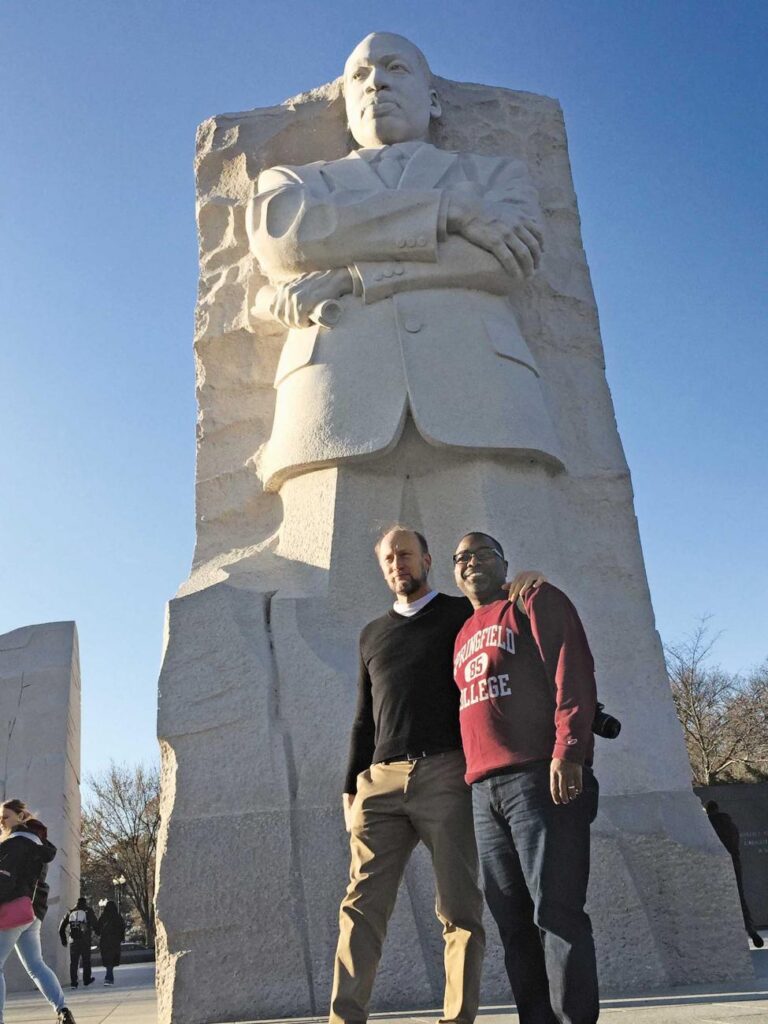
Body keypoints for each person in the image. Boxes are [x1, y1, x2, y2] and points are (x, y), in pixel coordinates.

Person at [247, 31, 563, 494]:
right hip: (331, 393)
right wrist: (451, 210)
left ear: (434, 101)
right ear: (348, 102)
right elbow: (288, 238)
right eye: (360, 75)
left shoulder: (495, 173)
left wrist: (351, 276)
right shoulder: (293, 182)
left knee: (499, 555)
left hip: (486, 391)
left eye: (395, 69)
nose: (376, 82)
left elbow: (503, 262)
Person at [331, 524, 543, 1024]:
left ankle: (457, 1018)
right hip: (378, 783)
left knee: (459, 909)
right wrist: (349, 786)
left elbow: (501, 611)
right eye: (388, 558)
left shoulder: (457, 614)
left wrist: (526, 582)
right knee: (360, 907)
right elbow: (365, 717)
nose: (396, 564)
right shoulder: (372, 634)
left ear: (427, 561)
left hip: (446, 772)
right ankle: (344, 1017)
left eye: (406, 554)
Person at [452, 532, 599, 1024]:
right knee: (513, 924)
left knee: (557, 914)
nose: (472, 561)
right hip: (483, 791)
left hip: (540, 776)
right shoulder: (463, 631)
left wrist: (570, 749)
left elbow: (570, 669)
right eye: (462, 557)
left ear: (505, 562)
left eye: (483, 553)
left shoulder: (532, 599)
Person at [0, 799, 75, 1024]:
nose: (1, 821)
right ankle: (63, 1011)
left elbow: (5, 881)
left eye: (6, 816)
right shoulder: (37, 842)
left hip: (13, 910)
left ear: (21, 816)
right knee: (35, 965)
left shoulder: (14, 843)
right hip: (31, 914)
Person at [705, 801, 764, 947]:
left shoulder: (707, 825)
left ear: (707, 810)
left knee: (716, 898)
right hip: (734, 863)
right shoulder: (730, 825)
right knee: (739, 898)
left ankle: (722, 933)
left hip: (716, 865)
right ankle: (750, 929)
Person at [59, 897, 98, 989]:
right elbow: (95, 923)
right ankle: (86, 980)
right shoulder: (88, 911)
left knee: (74, 963)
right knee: (86, 961)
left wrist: (64, 940)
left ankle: (73, 982)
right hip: (85, 941)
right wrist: (97, 932)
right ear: (85, 903)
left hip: (73, 941)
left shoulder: (71, 912)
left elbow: (61, 927)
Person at [96, 900, 125, 985]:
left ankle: (108, 978)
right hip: (115, 942)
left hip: (104, 942)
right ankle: (109, 978)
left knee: (108, 960)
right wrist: (121, 938)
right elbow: (122, 928)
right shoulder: (118, 917)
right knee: (112, 961)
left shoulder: (103, 917)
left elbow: (97, 929)